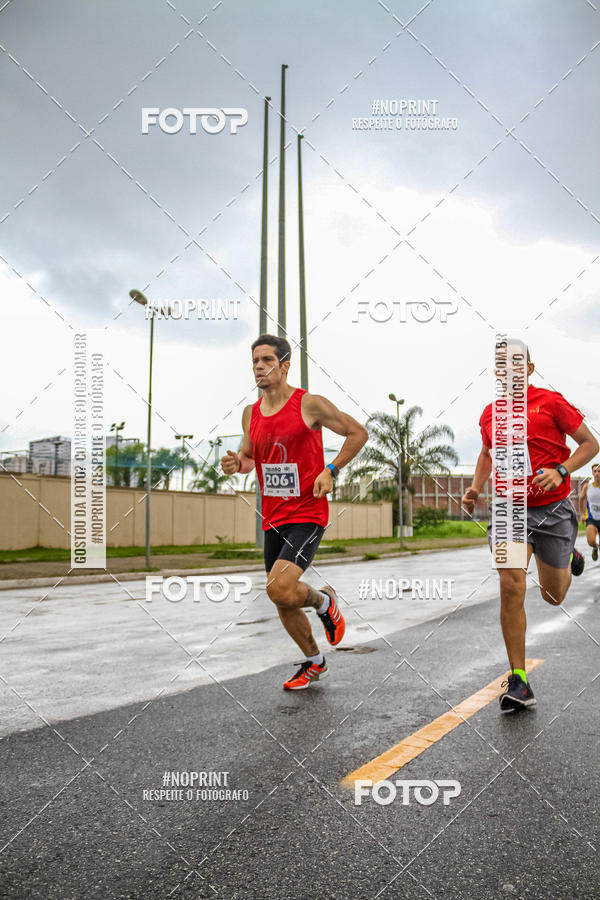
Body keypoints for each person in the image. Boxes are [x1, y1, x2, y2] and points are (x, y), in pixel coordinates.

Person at [221, 334, 368, 690]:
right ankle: (314, 660)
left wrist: (330, 470)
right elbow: (250, 458)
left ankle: (323, 602)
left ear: (284, 366)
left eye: (267, 360)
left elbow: (358, 433)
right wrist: (235, 463)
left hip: (307, 512)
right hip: (273, 516)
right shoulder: (250, 414)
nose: (259, 367)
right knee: (280, 595)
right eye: (255, 361)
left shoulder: (309, 404)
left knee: (280, 585)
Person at [462, 348, 598, 711]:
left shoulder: (550, 402)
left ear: (530, 369)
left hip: (552, 510)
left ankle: (568, 555)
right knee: (511, 584)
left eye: (516, 366)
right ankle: (518, 679)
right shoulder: (490, 413)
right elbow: (487, 453)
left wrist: (562, 471)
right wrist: (476, 487)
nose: (508, 372)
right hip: (509, 511)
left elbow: (591, 444)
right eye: (501, 367)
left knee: (553, 596)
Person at [579, 463, 600, 561]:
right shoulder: (587, 487)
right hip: (591, 518)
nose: (597, 474)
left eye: (599, 471)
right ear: (592, 473)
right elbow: (581, 499)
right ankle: (595, 547)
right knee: (591, 541)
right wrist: (582, 514)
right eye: (595, 471)